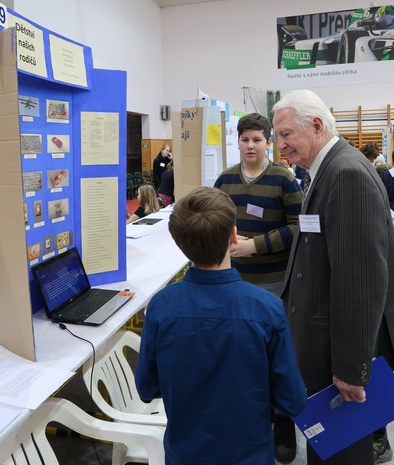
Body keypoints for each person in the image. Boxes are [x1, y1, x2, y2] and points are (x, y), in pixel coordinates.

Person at [135, 186, 307, 465]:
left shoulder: (161, 307)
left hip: (185, 454)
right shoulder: (267, 309)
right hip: (250, 455)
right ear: (233, 235)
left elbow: (146, 388)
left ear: (179, 242)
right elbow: (293, 400)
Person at [272, 89, 394, 465]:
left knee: (343, 456)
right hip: (324, 348)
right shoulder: (327, 169)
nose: (281, 147)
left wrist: (350, 369)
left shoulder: (346, 174)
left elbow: (360, 284)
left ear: (318, 126)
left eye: (286, 134)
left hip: (338, 361)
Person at [214, 112, 303, 463]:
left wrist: (255, 246)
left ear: (268, 142)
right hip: (236, 285)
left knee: (278, 356)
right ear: (237, 141)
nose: (250, 146)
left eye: (257, 139)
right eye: (244, 139)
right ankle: (256, 418)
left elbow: (301, 229)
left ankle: (283, 420)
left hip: (275, 286)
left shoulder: (284, 180)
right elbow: (217, 223)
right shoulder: (223, 181)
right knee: (246, 356)